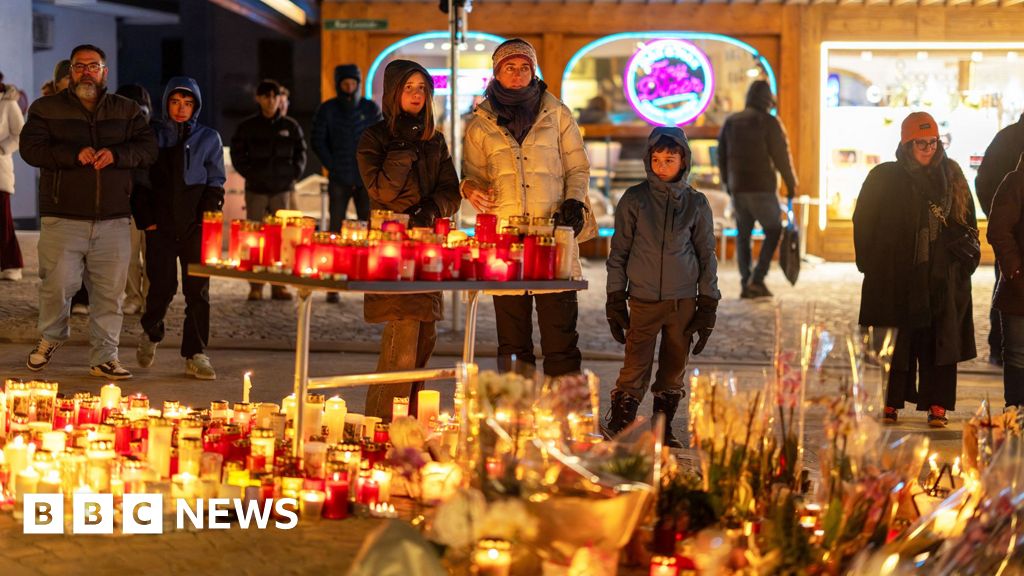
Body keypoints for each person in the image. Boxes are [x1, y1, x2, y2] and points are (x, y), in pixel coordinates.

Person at [19, 44, 157, 379]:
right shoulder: (46, 108)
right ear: (70, 72)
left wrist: (117, 156)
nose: (86, 72)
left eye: (93, 66)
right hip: (63, 216)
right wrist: (71, 153)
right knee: (57, 285)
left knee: (110, 294)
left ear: (104, 72)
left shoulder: (125, 110)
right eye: (79, 66)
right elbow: (30, 148)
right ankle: (51, 337)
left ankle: (104, 357)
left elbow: (148, 147)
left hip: (113, 218)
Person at [462, 38, 592, 377]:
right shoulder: (480, 125)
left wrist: (574, 200)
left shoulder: (557, 114)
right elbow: (471, 175)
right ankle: (515, 417)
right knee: (513, 344)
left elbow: (578, 167)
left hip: (554, 239)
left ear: (533, 72)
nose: (518, 74)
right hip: (506, 244)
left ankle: (564, 417)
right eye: (510, 67)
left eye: (524, 67)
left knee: (561, 339)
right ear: (497, 73)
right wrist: (468, 187)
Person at [853, 112, 978, 427]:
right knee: (897, 341)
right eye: (920, 143)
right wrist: (869, 263)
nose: (928, 148)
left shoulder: (953, 176)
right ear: (906, 144)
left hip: (943, 276)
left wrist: (963, 265)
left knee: (940, 342)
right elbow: (863, 221)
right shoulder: (884, 177)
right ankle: (891, 403)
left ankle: (938, 405)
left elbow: (968, 223)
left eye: (933, 142)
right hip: (896, 275)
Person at [357, 60, 461, 421]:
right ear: (393, 92)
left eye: (422, 88)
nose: (417, 94)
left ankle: (407, 425)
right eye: (408, 87)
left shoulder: (435, 139)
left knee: (423, 341)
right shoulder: (375, 138)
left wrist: (432, 208)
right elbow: (382, 190)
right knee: (401, 341)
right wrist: (402, 147)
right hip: (392, 246)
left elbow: (452, 191)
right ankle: (381, 427)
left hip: (427, 245)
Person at [604, 127, 720, 447]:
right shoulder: (634, 200)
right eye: (656, 159)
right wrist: (615, 296)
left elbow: (706, 254)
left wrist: (708, 302)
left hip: (682, 301)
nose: (662, 165)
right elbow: (620, 251)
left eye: (670, 159)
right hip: (643, 299)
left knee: (674, 366)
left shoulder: (696, 203)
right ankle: (622, 419)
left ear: (684, 161)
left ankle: (663, 425)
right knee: (635, 364)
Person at [132, 77, 225, 380]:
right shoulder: (152, 136)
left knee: (198, 292)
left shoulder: (208, 138)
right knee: (161, 286)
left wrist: (206, 219)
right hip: (160, 225)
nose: (181, 109)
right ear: (166, 103)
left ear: (196, 106)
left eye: (187, 103)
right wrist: (147, 220)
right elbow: (140, 182)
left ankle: (196, 353)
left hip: (195, 226)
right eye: (175, 102)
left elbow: (215, 182)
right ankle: (151, 332)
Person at [717, 80, 798, 299]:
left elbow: (721, 154)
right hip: (761, 187)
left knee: (743, 235)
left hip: (738, 187)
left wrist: (728, 183)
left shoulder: (732, 121)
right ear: (767, 98)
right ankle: (757, 278)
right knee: (773, 230)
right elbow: (781, 156)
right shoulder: (769, 122)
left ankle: (746, 282)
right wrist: (791, 183)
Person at [231, 79, 306, 302]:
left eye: (274, 96)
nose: (271, 100)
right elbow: (237, 154)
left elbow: (301, 153)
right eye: (266, 96)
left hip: (282, 190)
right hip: (256, 189)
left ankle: (278, 285)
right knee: (253, 238)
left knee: (281, 240)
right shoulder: (247, 126)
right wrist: (250, 174)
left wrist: (293, 175)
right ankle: (255, 286)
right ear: (258, 98)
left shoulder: (290, 126)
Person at [975, 113, 1024, 367]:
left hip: (1009, 237)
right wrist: (999, 217)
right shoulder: (1007, 139)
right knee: (1008, 291)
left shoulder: (1005, 138)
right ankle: (1001, 348)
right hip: (1011, 240)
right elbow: (984, 182)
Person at [312, 64, 381, 229]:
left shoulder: (370, 109)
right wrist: (333, 165)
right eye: (345, 84)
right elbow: (317, 140)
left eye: (353, 83)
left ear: (358, 84)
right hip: (338, 178)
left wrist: (371, 167)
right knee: (336, 224)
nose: (349, 87)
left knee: (368, 223)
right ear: (339, 85)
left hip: (365, 178)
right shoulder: (327, 109)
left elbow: (380, 140)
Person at [987, 152, 1024, 409]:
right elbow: (998, 229)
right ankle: (1015, 412)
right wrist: (1015, 270)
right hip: (1019, 286)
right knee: (1017, 354)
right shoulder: (1016, 181)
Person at [115, 84, 153, 315]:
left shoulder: (155, 135)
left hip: (151, 203)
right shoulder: (114, 137)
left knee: (152, 256)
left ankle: (150, 298)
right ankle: (133, 297)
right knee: (128, 256)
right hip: (125, 202)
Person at [0, 71, 25, 282]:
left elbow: (20, 134)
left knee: (3, 220)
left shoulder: (8, 104)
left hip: (0, 172)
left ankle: (12, 263)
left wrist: (1, 148)